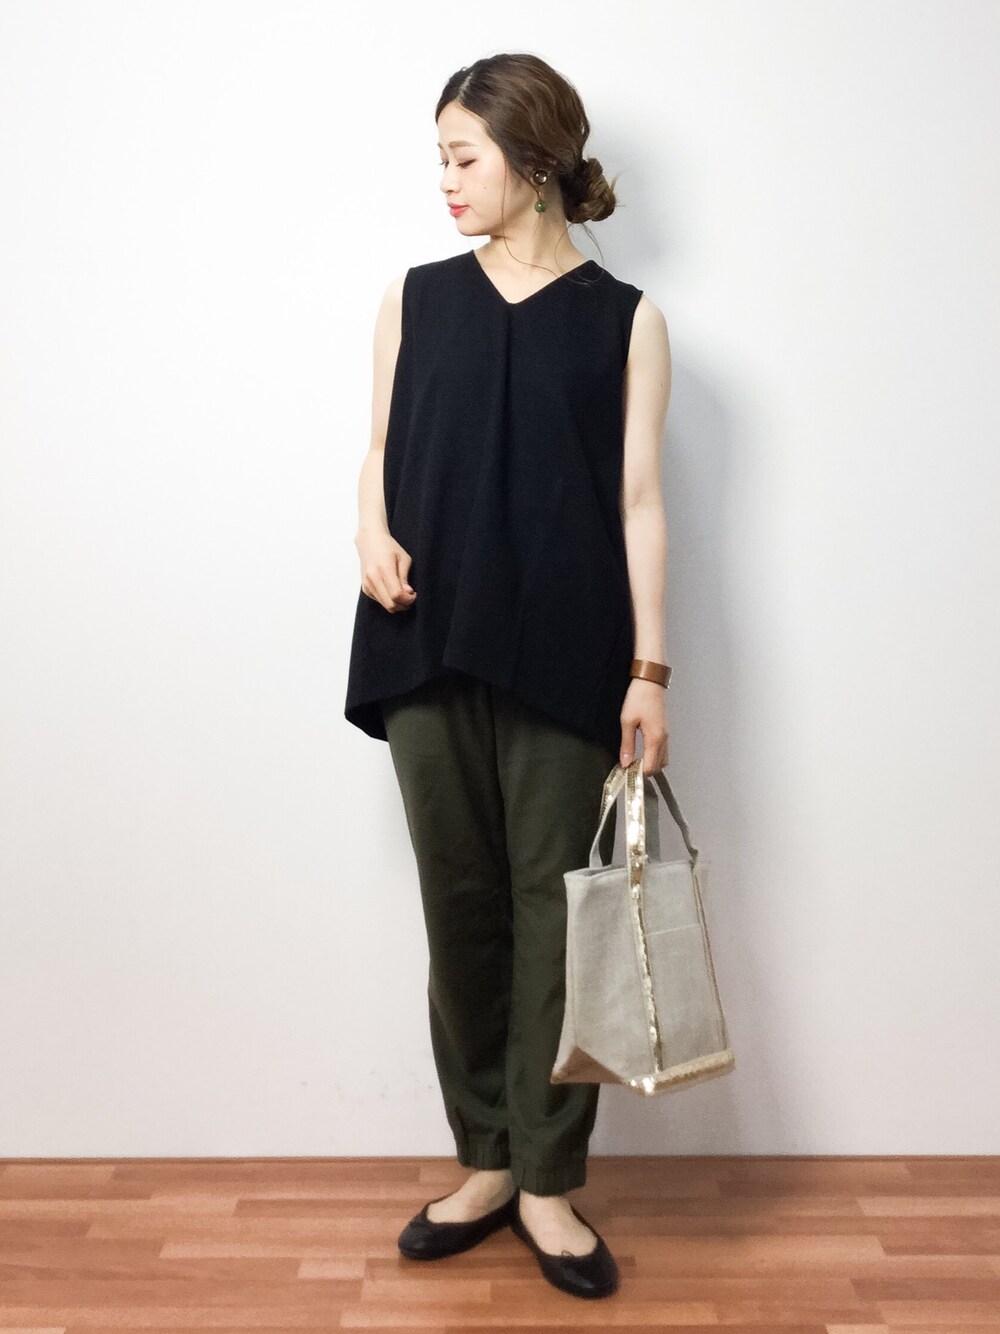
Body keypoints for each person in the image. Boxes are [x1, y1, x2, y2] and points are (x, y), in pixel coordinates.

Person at [344, 52, 672, 1300]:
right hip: (424, 634)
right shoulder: (414, 297)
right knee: (461, 909)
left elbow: (639, 503)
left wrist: (648, 670)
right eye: (439, 157)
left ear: (533, 163)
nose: (444, 180)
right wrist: (367, 531)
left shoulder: (625, 319)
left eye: (462, 156)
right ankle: (483, 1158)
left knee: (558, 919)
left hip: (568, 652)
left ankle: (547, 1177)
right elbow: (378, 444)